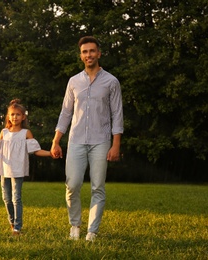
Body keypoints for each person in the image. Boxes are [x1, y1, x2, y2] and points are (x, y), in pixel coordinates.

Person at [51, 36, 123, 242]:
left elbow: (117, 114)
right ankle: (75, 225)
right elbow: (65, 113)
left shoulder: (111, 82)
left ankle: (92, 231)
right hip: (76, 140)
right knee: (72, 185)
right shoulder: (73, 81)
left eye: (92, 51)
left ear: (99, 54)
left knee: (97, 186)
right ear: (81, 55)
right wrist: (56, 140)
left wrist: (115, 144)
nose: (88, 55)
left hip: (101, 141)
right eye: (85, 52)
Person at [0, 99, 52, 236]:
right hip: (4, 169)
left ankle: (17, 227)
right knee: (6, 198)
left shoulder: (26, 133)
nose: (15, 117)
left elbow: (36, 150)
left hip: (18, 169)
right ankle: (12, 222)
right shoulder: (4, 133)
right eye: (12, 114)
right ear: (8, 116)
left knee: (16, 198)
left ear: (23, 117)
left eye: (18, 115)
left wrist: (50, 153)